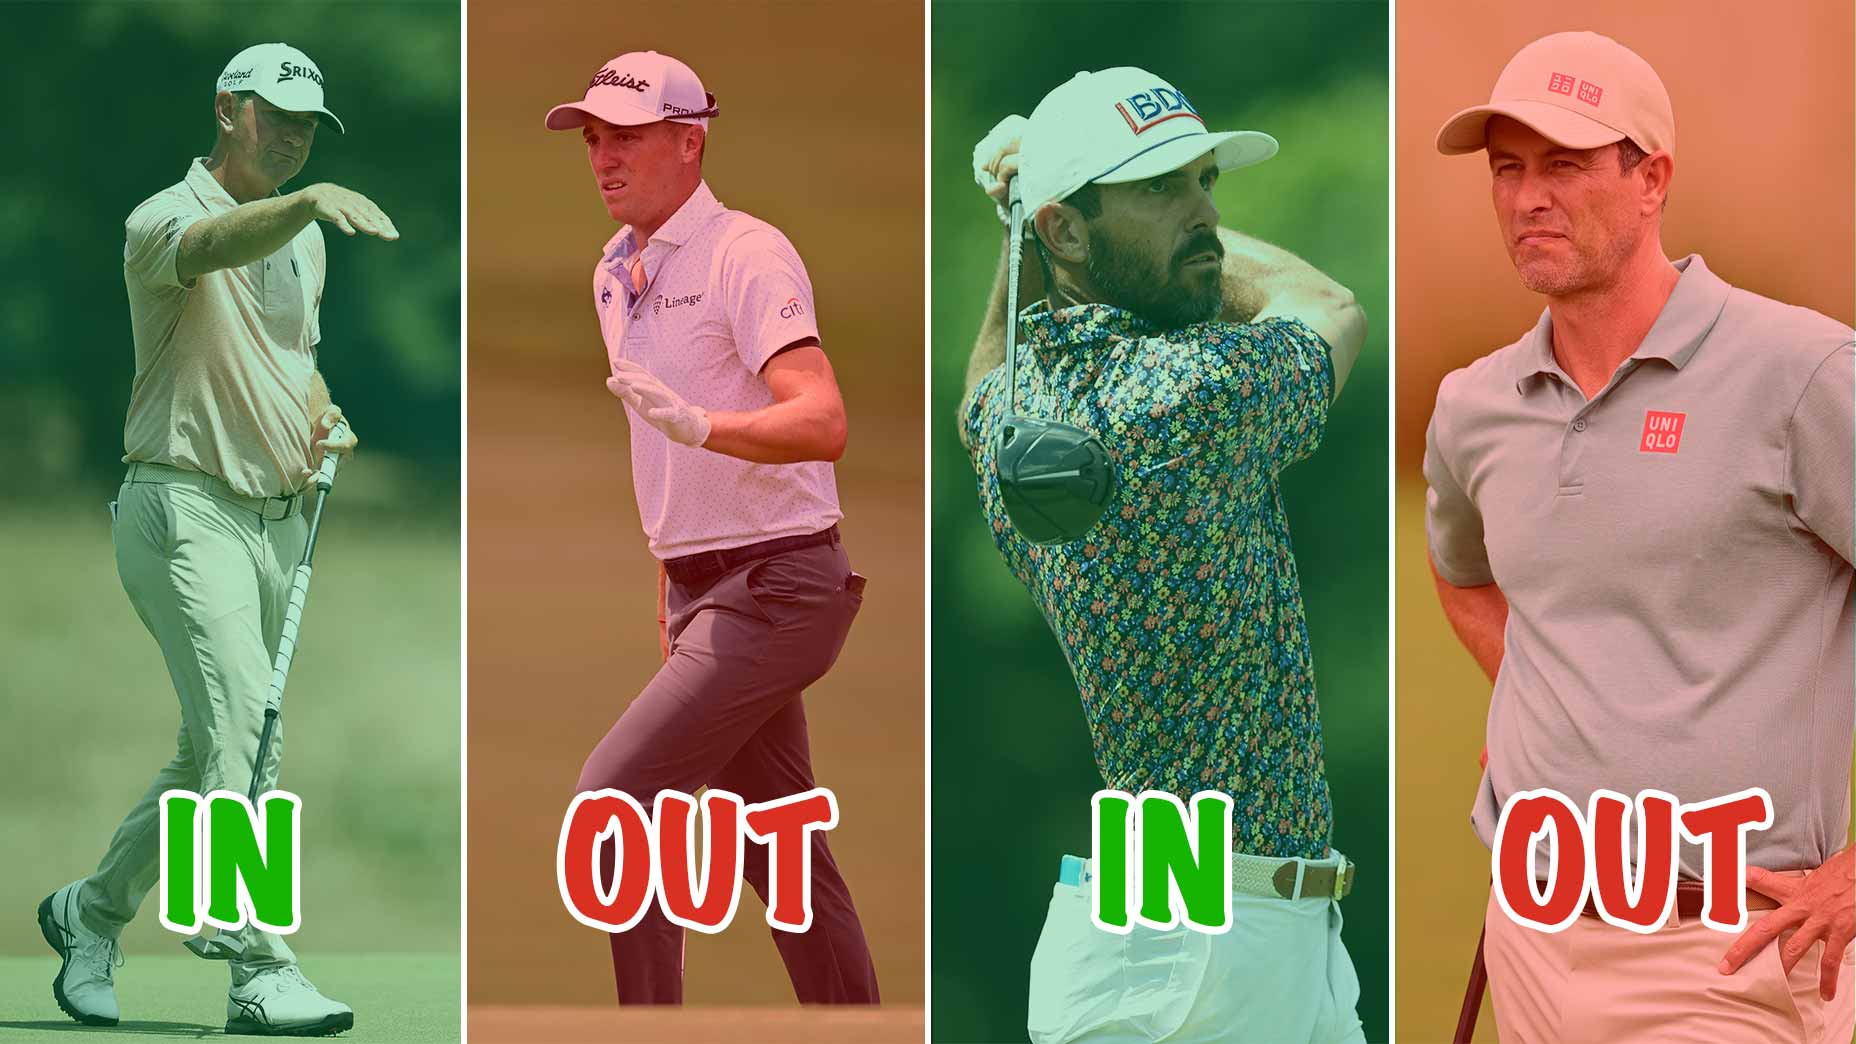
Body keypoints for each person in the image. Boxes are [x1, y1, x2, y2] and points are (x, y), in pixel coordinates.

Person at [1425, 30, 1855, 1043]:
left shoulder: (1798, 374)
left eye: (1563, 165)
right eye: (1506, 169)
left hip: (1728, 950)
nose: (1527, 196)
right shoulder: (1470, 407)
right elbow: (1463, 581)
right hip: (1530, 929)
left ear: (1649, 178)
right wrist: (1559, 708)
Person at [960, 67, 1369, 1044]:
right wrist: (1031, 212)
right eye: (1157, 190)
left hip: (1215, 924)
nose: (1200, 213)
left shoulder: (1011, 420)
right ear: (1067, 232)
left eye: (1201, 183)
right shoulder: (1180, 396)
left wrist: (1022, 227)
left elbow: (981, 370)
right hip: (1198, 939)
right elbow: (1329, 307)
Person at [36, 42, 395, 1036]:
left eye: (306, 127)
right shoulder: (163, 218)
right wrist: (309, 199)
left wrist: (322, 415)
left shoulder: (302, 240)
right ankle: (254, 965)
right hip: (180, 508)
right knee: (250, 725)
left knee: (215, 749)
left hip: (273, 522)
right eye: (274, 116)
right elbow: (213, 249)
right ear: (226, 110)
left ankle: (90, 913)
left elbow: (295, 363)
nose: (289, 137)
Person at [543, 49, 879, 1006]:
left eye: (629, 140)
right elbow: (669, 478)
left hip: (782, 586)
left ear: (689, 143)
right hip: (704, 596)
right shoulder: (614, 272)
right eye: (595, 142)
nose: (604, 159)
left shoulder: (746, 252)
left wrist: (707, 426)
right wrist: (672, 598)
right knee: (781, 850)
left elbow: (824, 419)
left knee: (612, 802)